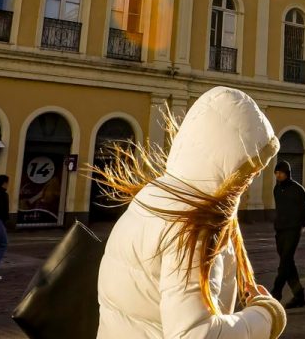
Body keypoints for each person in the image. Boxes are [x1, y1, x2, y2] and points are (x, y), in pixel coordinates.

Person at [95, 86, 286, 339]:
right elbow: (194, 334)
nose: (254, 178)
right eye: (249, 168)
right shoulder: (192, 225)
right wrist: (266, 316)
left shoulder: (156, 195)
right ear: (225, 161)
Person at [271, 159, 305, 309]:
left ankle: (275, 294)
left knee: (284, 263)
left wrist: (302, 226)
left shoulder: (297, 189)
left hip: (293, 230)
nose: (278, 175)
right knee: (288, 264)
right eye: (276, 173)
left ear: (287, 173)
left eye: (281, 172)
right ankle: (299, 296)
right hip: (280, 230)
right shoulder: (276, 190)